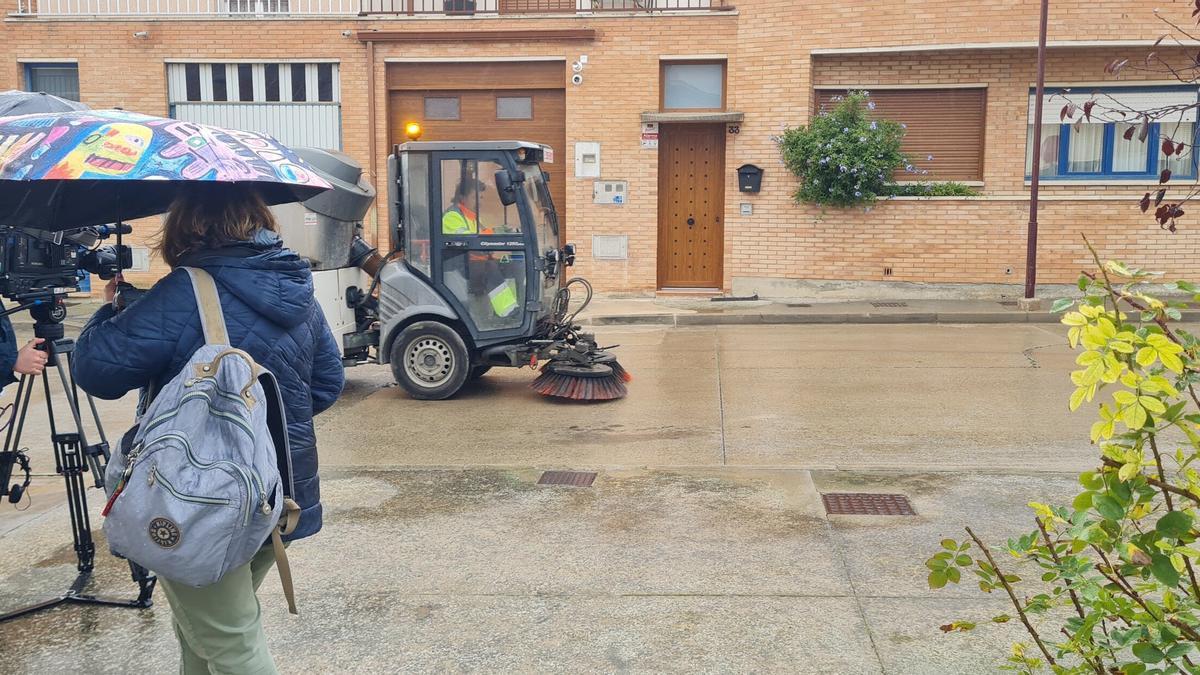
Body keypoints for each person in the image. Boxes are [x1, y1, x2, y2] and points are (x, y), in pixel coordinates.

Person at [72, 183, 344, 674]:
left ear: (186, 226)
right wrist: (257, 432)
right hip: (280, 495)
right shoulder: (296, 285)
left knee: (230, 643)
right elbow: (326, 384)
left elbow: (96, 372)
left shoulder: (184, 291)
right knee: (206, 632)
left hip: (199, 502)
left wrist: (110, 312)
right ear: (258, 219)